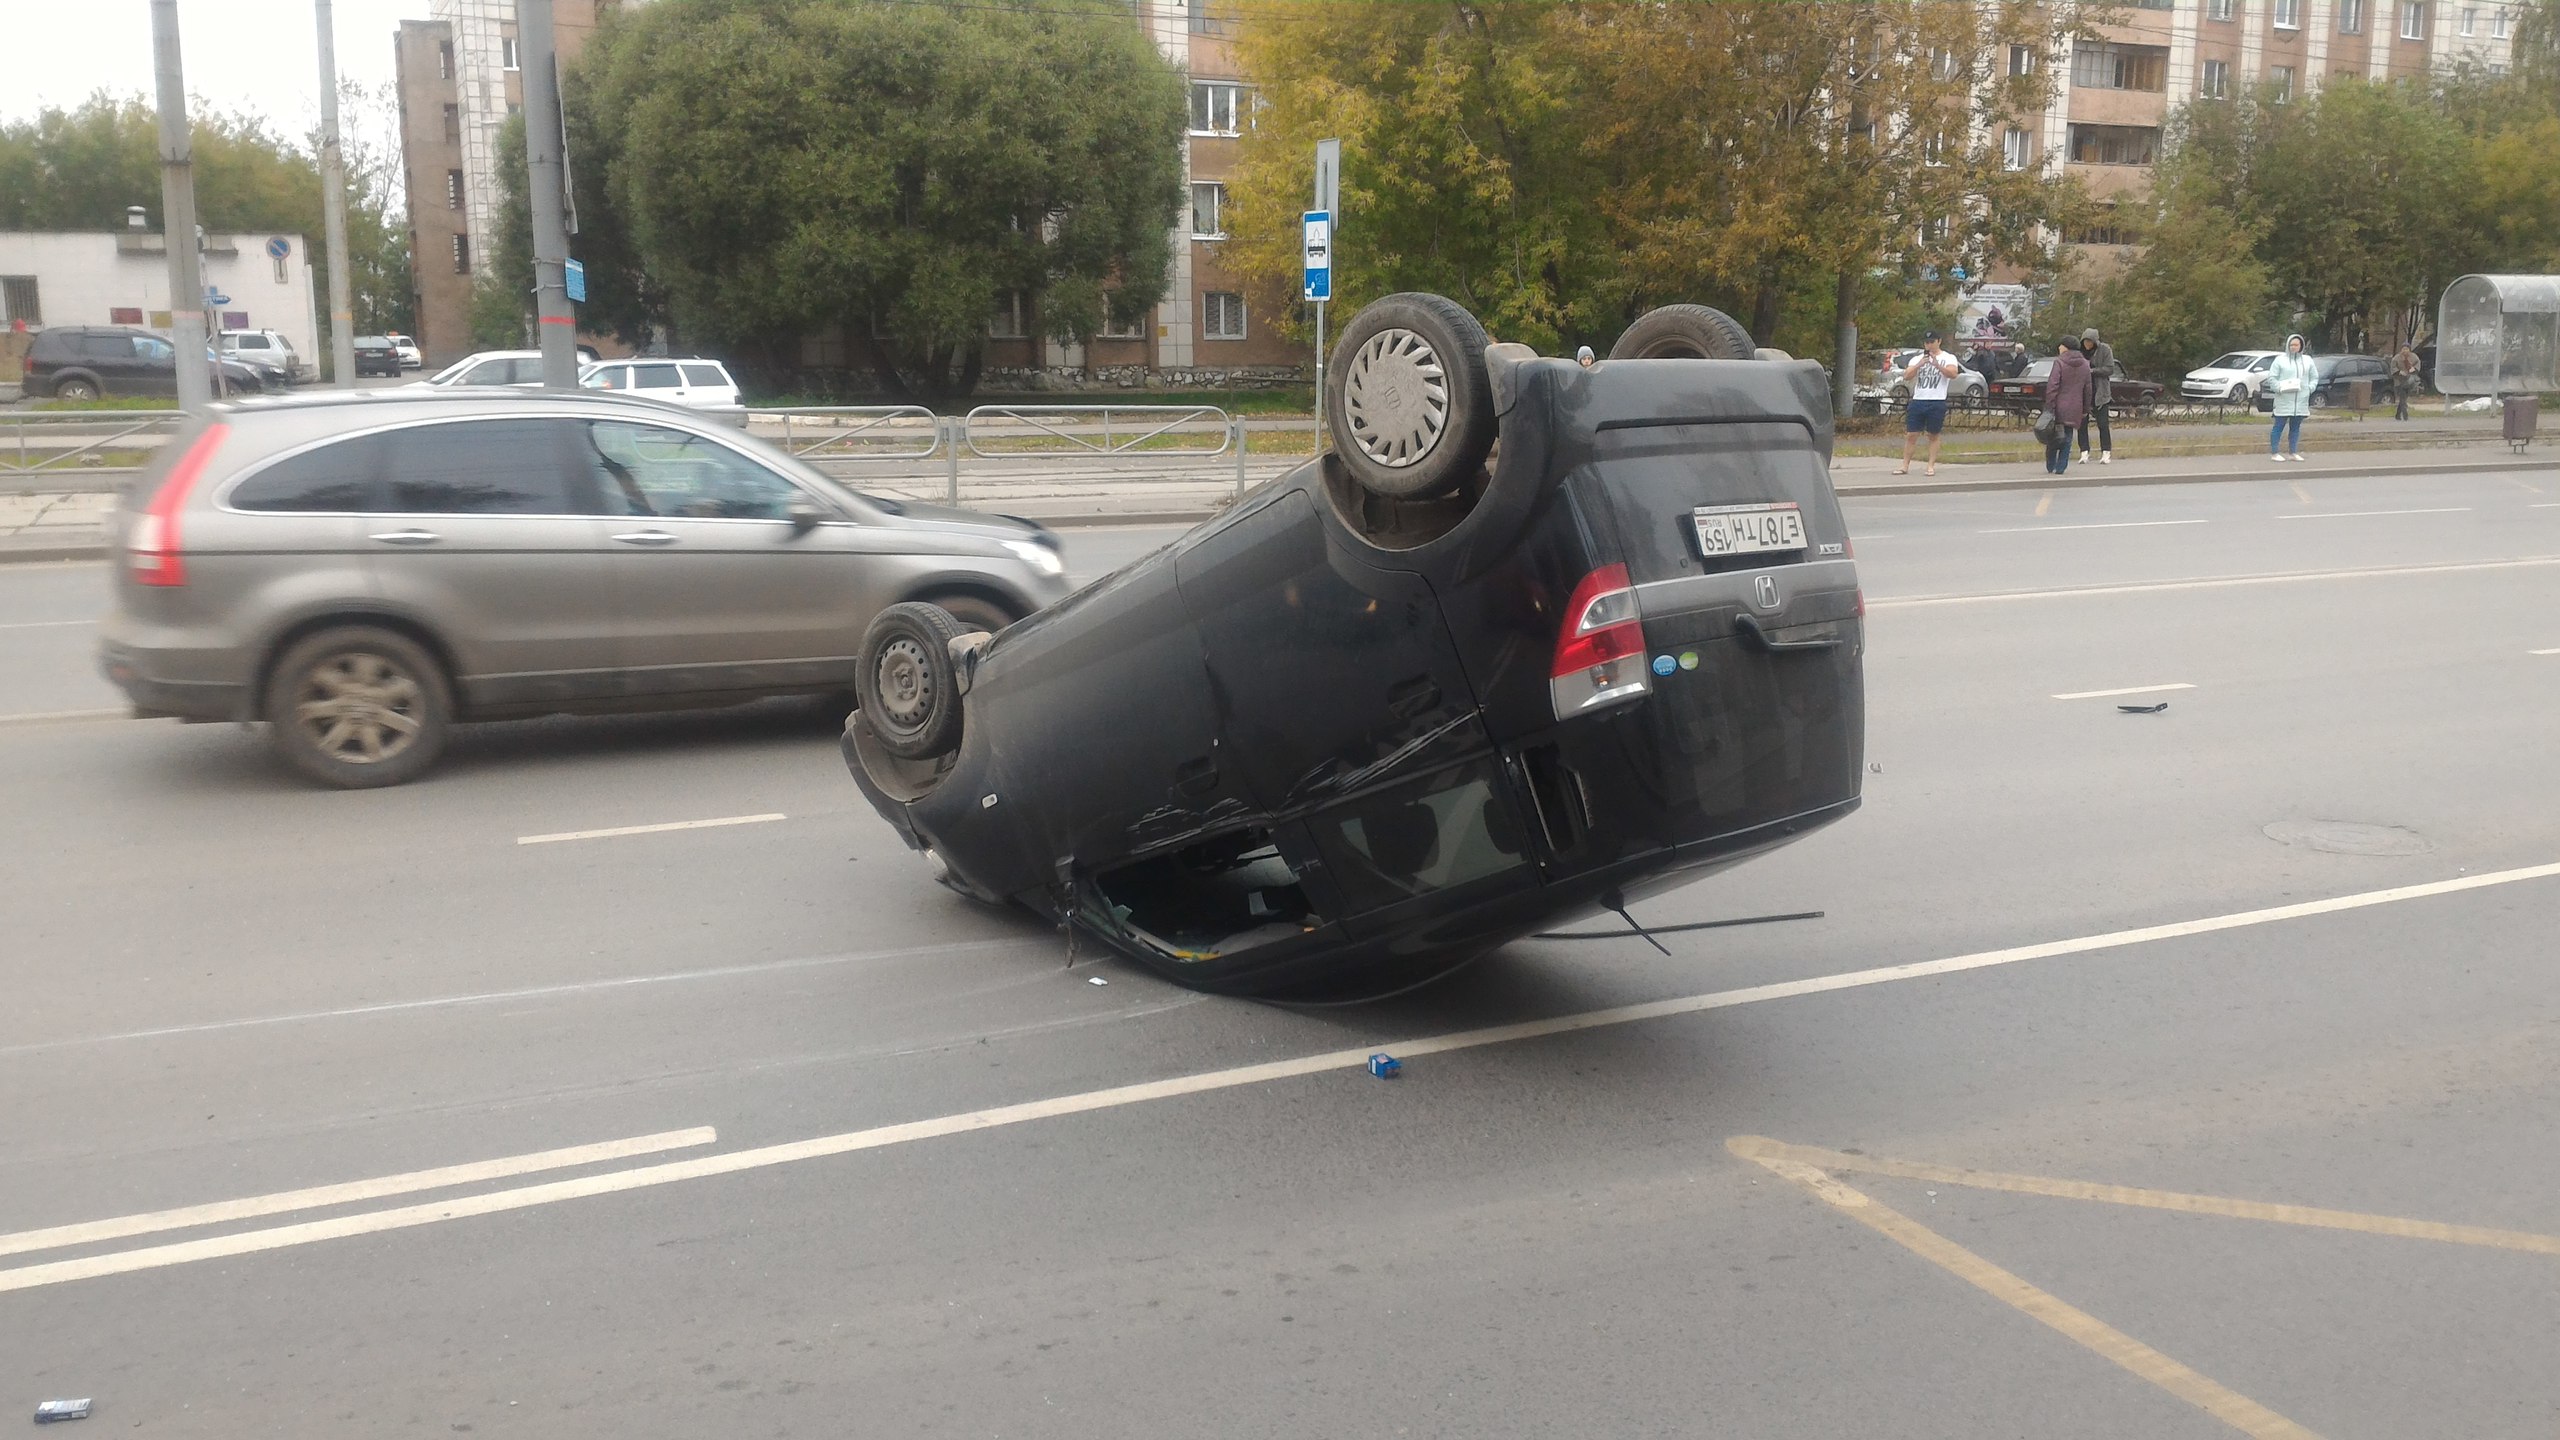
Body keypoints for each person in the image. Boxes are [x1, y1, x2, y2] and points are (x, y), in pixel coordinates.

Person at [1895, 332, 1962, 476]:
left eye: (1932, 342)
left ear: (1939, 341)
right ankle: (1905, 465)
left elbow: (1953, 374)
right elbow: (1907, 376)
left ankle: (1930, 466)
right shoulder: (1917, 359)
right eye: (1926, 342)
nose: (1929, 345)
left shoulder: (1948, 357)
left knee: (1933, 434)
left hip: (1936, 400)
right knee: (1912, 434)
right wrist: (1920, 364)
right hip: (1919, 399)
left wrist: (1937, 365)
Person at [2046, 339, 2092, 475]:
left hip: (2058, 405)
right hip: (2076, 406)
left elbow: (2052, 386)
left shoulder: (2059, 362)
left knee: (2053, 436)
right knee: (2068, 437)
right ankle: (2061, 467)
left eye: (2061, 345)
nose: (2059, 347)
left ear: (2066, 347)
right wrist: (2085, 408)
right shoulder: (2085, 364)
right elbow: (2088, 389)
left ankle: (2050, 465)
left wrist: (2049, 404)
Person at [2266, 333, 2315, 461]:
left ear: (2301, 346)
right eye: (2291, 344)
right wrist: (2278, 388)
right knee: (2278, 427)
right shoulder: (2280, 360)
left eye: (2296, 344)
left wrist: (2310, 388)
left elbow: (2314, 377)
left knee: (2295, 428)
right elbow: (2272, 378)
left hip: (2300, 401)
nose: (2294, 347)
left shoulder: (2307, 360)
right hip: (2283, 400)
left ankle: (2293, 452)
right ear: (2288, 345)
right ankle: (2275, 452)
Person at [2076, 327, 2115, 465]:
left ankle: (2106, 452)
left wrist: (2092, 371)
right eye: (2085, 341)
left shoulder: (2105, 350)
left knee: (2103, 424)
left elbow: (2110, 368)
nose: (2087, 344)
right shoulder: (2078, 352)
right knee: (2081, 425)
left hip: (2100, 393)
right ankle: (2084, 452)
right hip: (2083, 393)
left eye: (2090, 341)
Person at [2392, 342, 2420, 421]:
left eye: (2407, 349)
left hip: (2409, 380)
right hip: (2399, 380)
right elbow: (2393, 367)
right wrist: (2399, 372)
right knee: (2402, 398)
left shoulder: (2414, 357)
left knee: (2403, 398)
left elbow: (2418, 365)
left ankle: (2397, 415)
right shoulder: (2396, 358)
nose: (2405, 351)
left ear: (2409, 350)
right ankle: (2405, 416)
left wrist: (2414, 369)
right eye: (2403, 349)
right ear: (2401, 350)